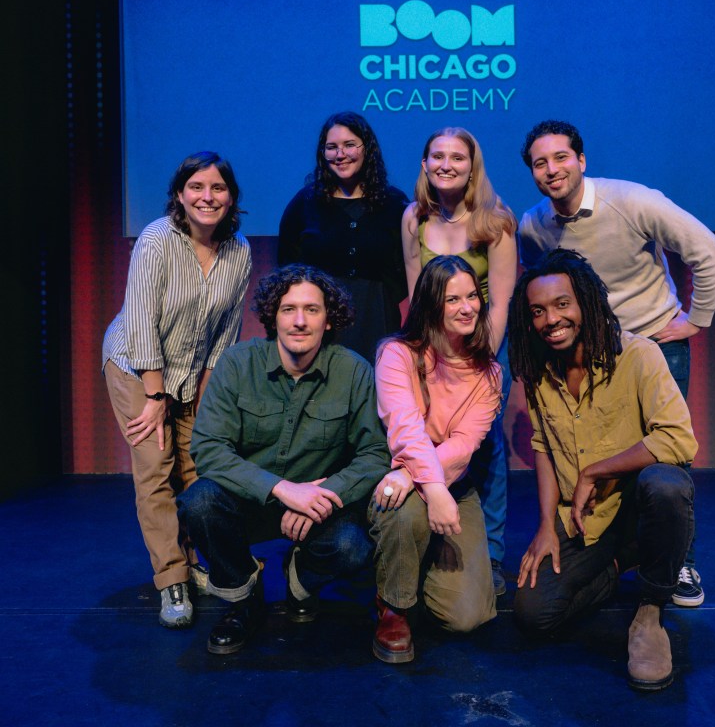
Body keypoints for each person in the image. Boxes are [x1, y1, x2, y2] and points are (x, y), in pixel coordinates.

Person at [518, 119, 715, 607]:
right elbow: (539, 280)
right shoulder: (533, 224)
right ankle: (618, 546)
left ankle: (679, 563)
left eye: (561, 157)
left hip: (649, 345)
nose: (552, 170)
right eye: (540, 163)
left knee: (668, 456)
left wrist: (696, 319)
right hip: (584, 355)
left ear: (581, 160)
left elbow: (710, 253)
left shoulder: (632, 201)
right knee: (601, 453)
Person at [508, 248, 697, 691]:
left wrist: (595, 471)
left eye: (562, 304)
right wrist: (546, 526)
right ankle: (622, 561)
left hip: (637, 505)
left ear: (586, 303)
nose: (551, 319)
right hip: (586, 519)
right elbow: (542, 446)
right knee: (534, 614)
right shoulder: (538, 371)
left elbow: (679, 439)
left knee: (667, 485)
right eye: (538, 311)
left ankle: (650, 610)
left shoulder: (638, 355)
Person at [177, 265, 391, 655]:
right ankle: (243, 598)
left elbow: (375, 454)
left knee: (352, 546)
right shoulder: (237, 363)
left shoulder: (354, 371)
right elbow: (208, 448)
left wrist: (323, 496)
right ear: (272, 316)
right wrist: (281, 489)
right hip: (248, 502)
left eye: (312, 310)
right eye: (288, 309)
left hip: (316, 509)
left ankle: (300, 580)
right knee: (199, 502)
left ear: (329, 320)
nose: (299, 321)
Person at [102, 151, 252, 629]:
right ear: (180, 195)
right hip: (136, 367)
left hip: (190, 373)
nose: (207, 197)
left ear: (231, 197)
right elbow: (141, 320)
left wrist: (207, 393)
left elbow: (226, 332)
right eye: (196, 187)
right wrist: (155, 397)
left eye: (218, 188)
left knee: (195, 464)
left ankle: (195, 562)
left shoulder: (239, 250)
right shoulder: (156, 239)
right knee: (155, 467)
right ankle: (171, 578)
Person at [401, 127, 517, 595]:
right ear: (425, 164)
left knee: (485, 446)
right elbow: (417, 295)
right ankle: (435, 531)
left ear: (472, 167)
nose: (446, 165)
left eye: (457, 157)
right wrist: (422, 355)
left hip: (484, 343)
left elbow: (501, 301)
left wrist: (479, 358)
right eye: (437, 156)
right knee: (430, 433)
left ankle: (492, 553)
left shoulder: (495, 221)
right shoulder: (414, 217)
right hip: (432, 344)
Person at [369, 255, 501, 663]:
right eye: (452, 299)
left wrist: (421, 480)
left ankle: (415, 567)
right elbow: (406, 429)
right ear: (431, 304)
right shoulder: (397, 354)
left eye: (472, 296)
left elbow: (464, 444)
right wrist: (427, 487)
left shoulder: (489, 373)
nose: (467, 307)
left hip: (449, 484)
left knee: (467, 617)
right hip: (399, 481)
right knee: (402, 506)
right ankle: (393, 606)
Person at [278, 111, 408, 361]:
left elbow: (407, 266)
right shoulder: (305, 203)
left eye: (349, 145)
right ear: (322, 153)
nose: (340, 154)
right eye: (332, 147)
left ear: (367, 149)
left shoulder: (394, 203)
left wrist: (382, 296)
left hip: (377, 318)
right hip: (321, 322)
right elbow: (286, 267)